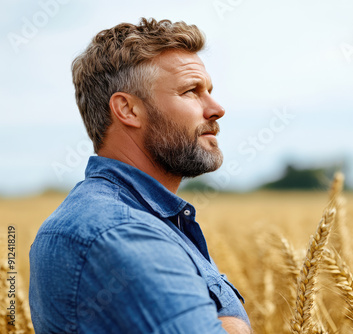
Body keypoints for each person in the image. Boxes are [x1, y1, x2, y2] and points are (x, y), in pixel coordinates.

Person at [29, 18, 251, 334]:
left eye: (210, 91)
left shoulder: (148, 220)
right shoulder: (118, 230)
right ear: (128, 110)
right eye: (191, 91)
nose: (216, 108)